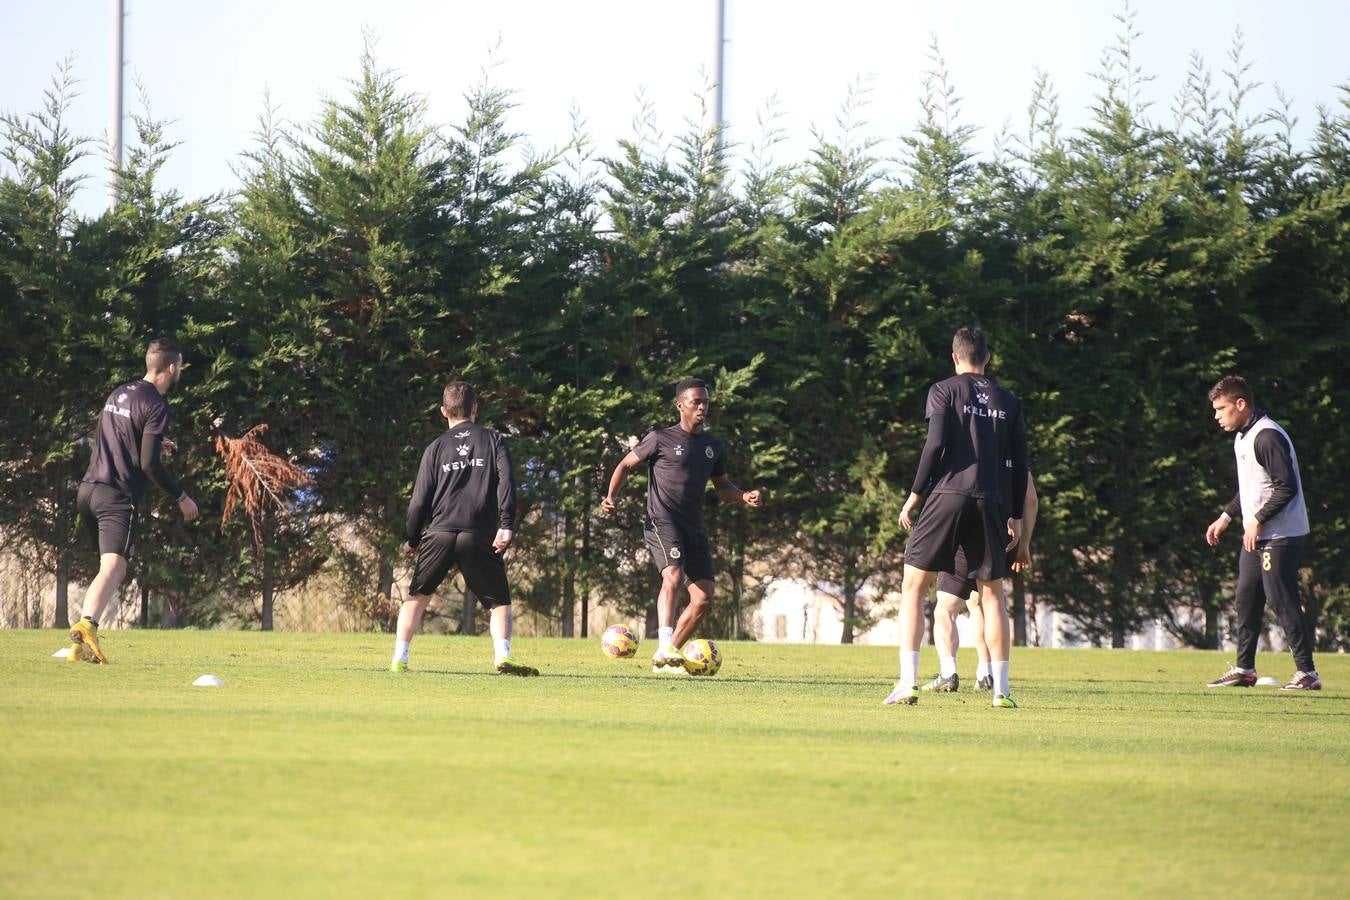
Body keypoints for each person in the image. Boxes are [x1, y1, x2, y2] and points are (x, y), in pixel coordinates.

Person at [887, 327, 1028, 708]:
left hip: (947, 494)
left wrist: (915, 495)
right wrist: (1014, 514)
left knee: (914, 587)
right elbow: (1020, 463)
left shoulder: (944, 389)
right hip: (993, 500)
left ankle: (907, 683)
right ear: (988, 357)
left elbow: (935, 444)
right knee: (994, 595)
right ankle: (1002, 691)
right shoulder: (1009, 400)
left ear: (954, 357)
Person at [601, 378, 762, 672]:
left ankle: (666, 657)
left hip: (694, 527)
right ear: (680, 405)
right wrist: (611, 496)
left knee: (703, 599)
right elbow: (625, 465)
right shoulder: (660, 438)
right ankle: (664, 642)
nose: (702, 407)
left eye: (706, 402)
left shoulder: (713, 446)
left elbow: (722, 486)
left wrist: (743, 496)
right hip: (661, 521)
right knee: (672, 576)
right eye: (696, 402)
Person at [391, 380, 537, 677]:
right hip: (478, 533)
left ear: (443, 411)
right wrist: (506, 525)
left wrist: (413, 537)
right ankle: (502, 657)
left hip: (439, 532)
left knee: (417, 598)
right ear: (475, 408)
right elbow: (507, 484)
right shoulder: (494, 440)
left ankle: (400, 658)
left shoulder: (434, 449)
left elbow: (419, 500)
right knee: (499, 603)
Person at [69, 338, 200, 663]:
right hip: (116, 496)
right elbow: (149, 465)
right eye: (179, 367)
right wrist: (181, 497)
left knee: (105, 568)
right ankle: (86, 627)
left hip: (88, 490)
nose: (178, 371)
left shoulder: (120, 393)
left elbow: (114, 435)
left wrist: (154, 442)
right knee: (114, 567)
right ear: (171, 368)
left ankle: (79, 649)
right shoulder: (156, 405)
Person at [1204, 376, 1320, 691]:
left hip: (1281, 534)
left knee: (1281, 598)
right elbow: (1253, 487)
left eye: (1221, 408)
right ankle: (1244, 669)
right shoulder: (1242, 437)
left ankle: (1307, 673)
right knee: (1246, 598)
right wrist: (1226, 516)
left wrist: (1256, 520)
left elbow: (1286, 487)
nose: (1217, 416)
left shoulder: (1266, 436)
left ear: (1241, 404)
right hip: (1258, 535)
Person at [922, 474, 1037, 693]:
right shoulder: (1012, 450)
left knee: (945, 608)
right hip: (1003, 536)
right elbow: (1030, 498)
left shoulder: (972, 451)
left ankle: (948, 673)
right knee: (980, 602)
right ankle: (986, 674)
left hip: (969, 530)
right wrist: (1025, 544)